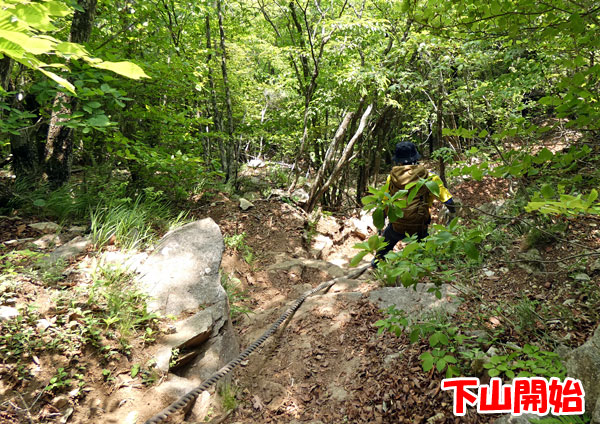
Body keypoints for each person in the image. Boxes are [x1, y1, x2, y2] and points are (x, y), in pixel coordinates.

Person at [373, 141, 456, 266]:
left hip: (396, 225)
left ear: (398, 161)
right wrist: (453, 214)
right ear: (416, 158)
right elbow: (448, 201)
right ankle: (424, 266)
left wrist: (380, 226)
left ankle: (377, 264)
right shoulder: (430, 178)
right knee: (425, 253)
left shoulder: (392, 178)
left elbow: (386, 202)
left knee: (382, 251)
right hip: (419, 226)